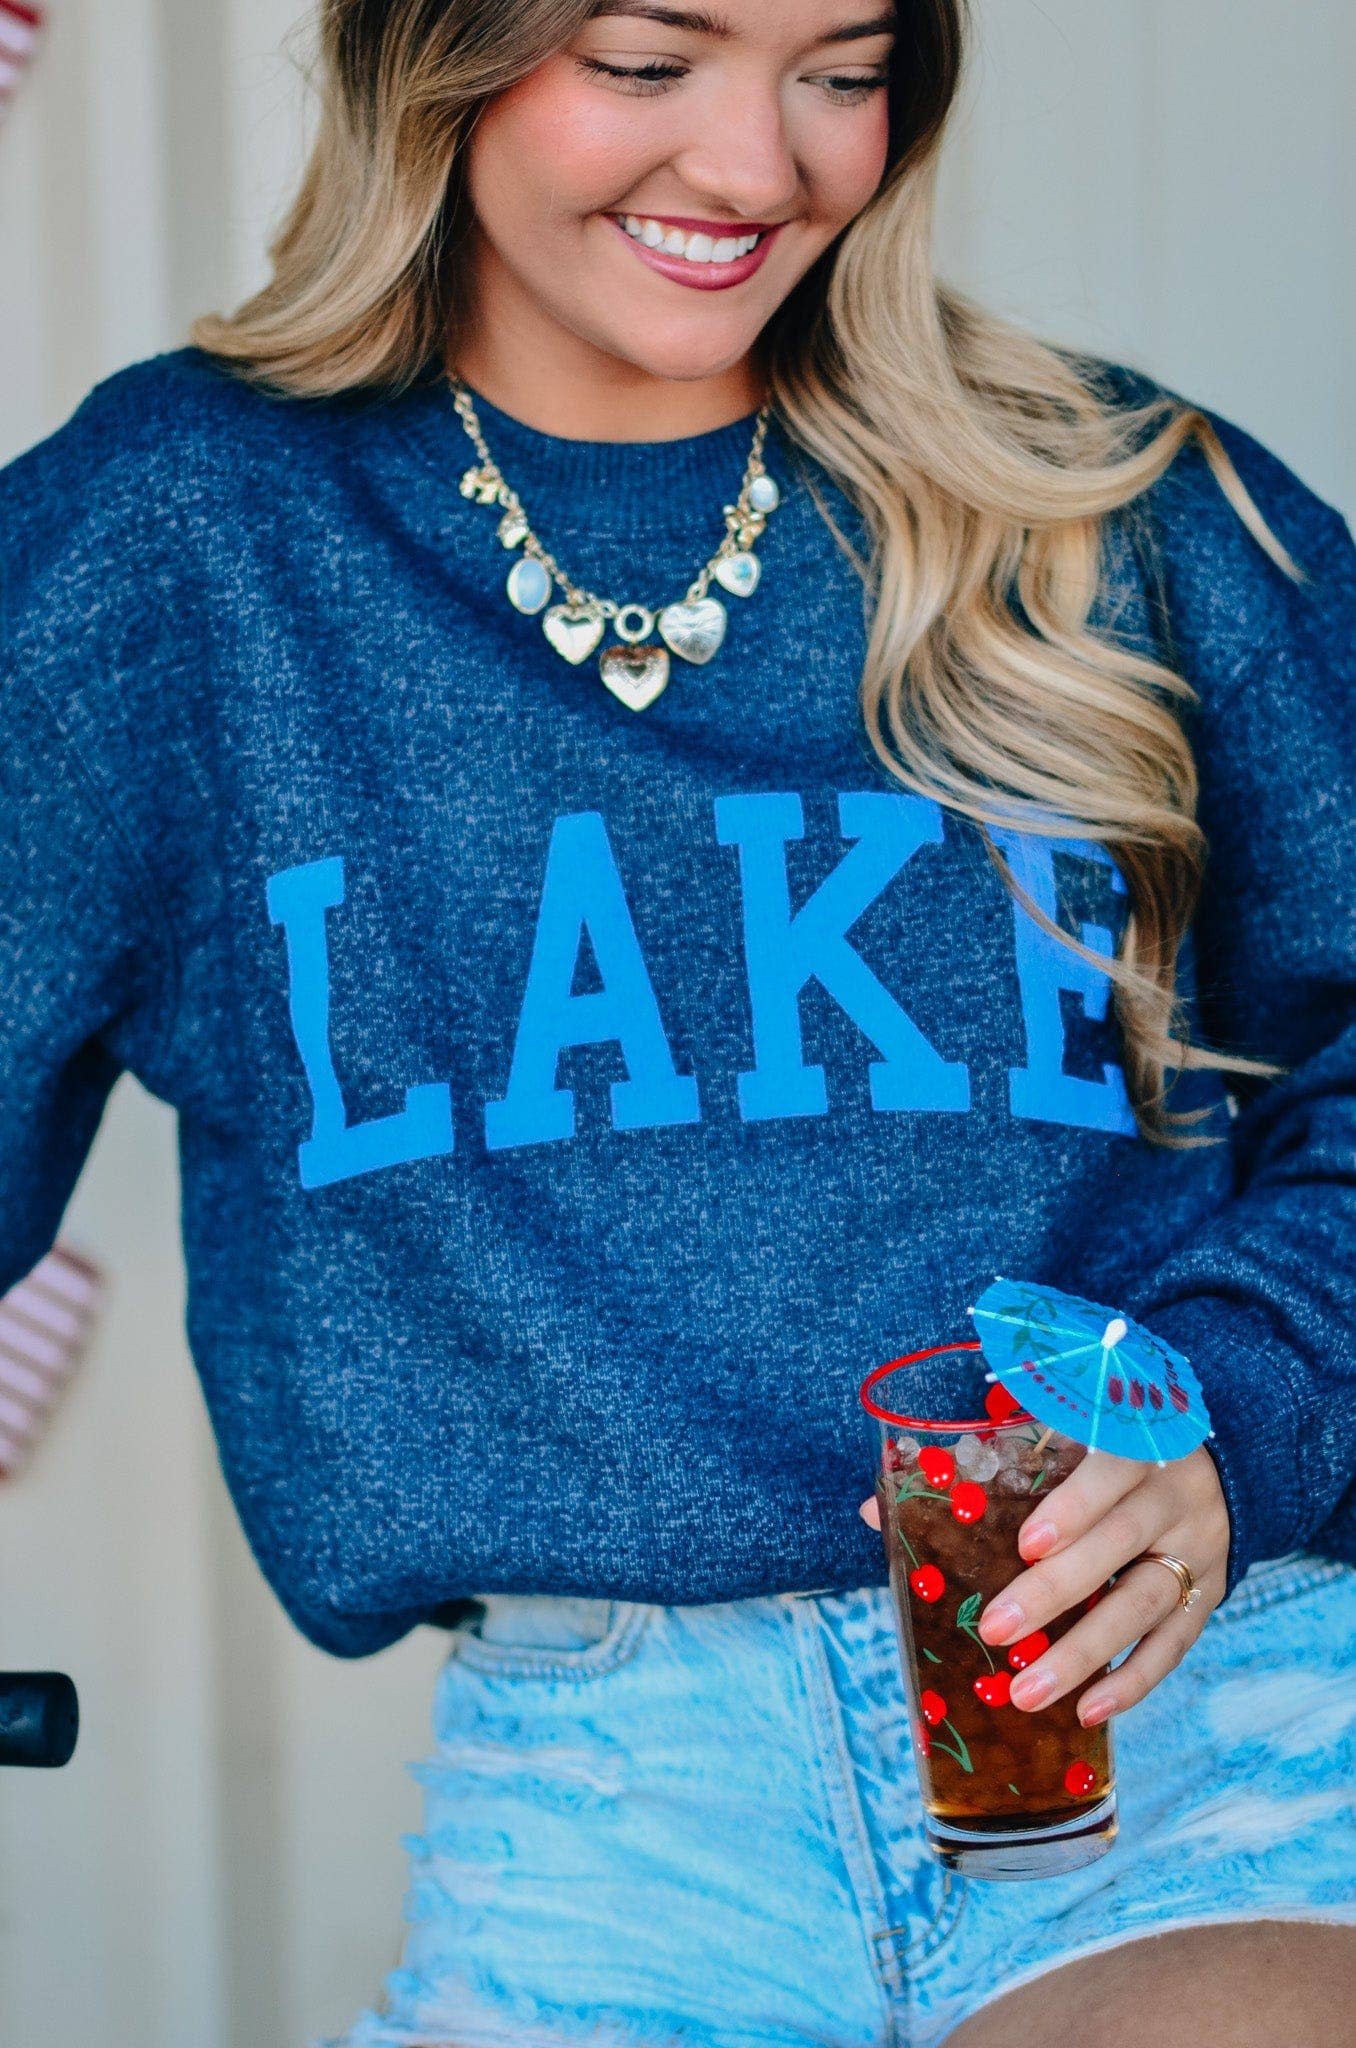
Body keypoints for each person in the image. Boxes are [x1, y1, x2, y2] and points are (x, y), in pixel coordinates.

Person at [2, 1, 1352, 2042]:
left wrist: (1234, 1412)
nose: (756, 166)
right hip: (608, 1814)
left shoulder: (1115, 506)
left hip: (1187, 1727)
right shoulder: (178, 542)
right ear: (436, 55)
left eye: (840, 67)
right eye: (651, 63)